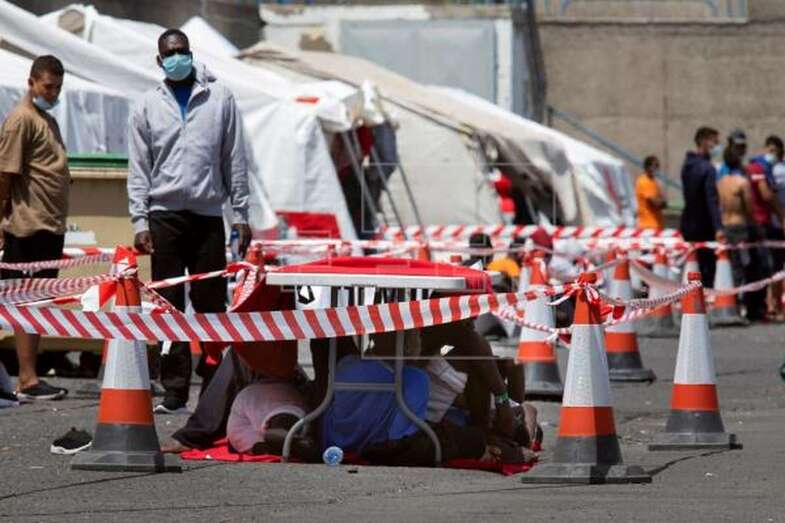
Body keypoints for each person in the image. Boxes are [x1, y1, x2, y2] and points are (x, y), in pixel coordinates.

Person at [128, 29, 251, 413]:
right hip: (164, 217)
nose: (177, 57)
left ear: (192, 54)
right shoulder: (146, 106)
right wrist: (139, 221)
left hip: (208, 217)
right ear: (159, 60)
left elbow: (235, 159)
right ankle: (175, 388)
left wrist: (242, 214)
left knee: (210, 304)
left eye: (182, 51)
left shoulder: (220, 98)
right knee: (168, 307)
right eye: (170, 53)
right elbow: (139, 168)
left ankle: (214, 384)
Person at [0, 55, 70, 401]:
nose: (53, 93)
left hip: (50, 226)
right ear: (31, 82)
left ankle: (32, 375)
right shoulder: (20, 120)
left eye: (57, 87)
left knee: (41, 301)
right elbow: (6, 175)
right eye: (47, 86)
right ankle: (26, 377)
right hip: (27, 227)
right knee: (26, 302)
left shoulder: (47, 120)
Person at [716, 145, 760, 317]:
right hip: (740, 226)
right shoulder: (742, 183)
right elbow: (749, 208)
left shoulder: (720, 183)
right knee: (746, 266)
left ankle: (731, 302)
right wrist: (756, 226)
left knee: (731, 265)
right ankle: (745, 305)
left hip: (726, 224)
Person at [680, 126, 724, 288]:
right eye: (715, 142)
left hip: (688, 225)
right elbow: (711, 200)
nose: (718, 146)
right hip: (705, 227)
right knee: (707, 270)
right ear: (704, 142)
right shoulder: (708, 168)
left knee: (691, 266)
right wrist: (718, 227)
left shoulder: (687, 165)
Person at [752, 135, 785, 320]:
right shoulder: (771, 170)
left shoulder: (770, 169)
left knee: (774, 267)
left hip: (773, 223)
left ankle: (773, 305)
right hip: (773, 224)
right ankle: (773, 305)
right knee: (774, 267)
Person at [636, 155, 667, 229]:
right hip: (647, 226)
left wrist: (661, 201)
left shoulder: (654, 182)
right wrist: (660, 201)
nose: (656, 168)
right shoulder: (643, 181)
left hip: (657, 225)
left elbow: (663, 203)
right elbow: (655, 202)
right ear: (647, 167)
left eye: (657, 166)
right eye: (655, 165)